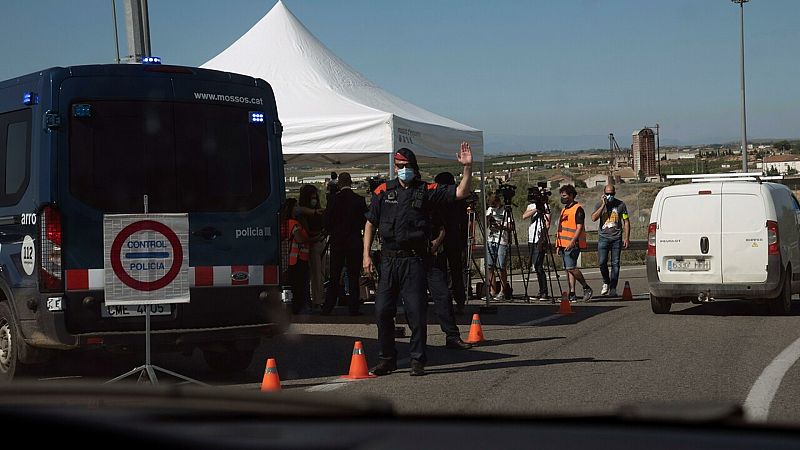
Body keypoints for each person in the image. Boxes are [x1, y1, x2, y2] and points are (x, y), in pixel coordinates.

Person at [363, 143, 474, 377]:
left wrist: (467, 168)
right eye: (399, 166)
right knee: (382, 311)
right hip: (388, 260)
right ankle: (386, 359)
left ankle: (417, 359)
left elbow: (460, 193)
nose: (402, 170)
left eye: (406, 166)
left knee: (415, 311)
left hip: (414, 261)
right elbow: (370, 222)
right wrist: (366, 255)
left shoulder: (426, 190)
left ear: (414, 167)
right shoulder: (383, 191)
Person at [322, 173, 367, 316]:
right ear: (351, 182)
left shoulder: (333, 200)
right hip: (354, 241)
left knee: (334, 276)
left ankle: (328, 307)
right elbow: (364, 222)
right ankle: (353, 308)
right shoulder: (359, 200)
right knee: (353, 276)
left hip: (337, 242)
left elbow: (326, 221)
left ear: (339, 184)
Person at [428, 211, 472, 350]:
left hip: (431, 256)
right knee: (413, 304)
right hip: (407, 259)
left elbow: (441, 228)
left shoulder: (427, 202)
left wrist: (436, 243)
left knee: (443, 296)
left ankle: (452, 336)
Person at [434, 172, 469, 314]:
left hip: (441, 240)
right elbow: (464, 221)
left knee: (441, 273)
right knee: (456, 272)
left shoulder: (438, 199)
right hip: (455, 239)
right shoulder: (458, 200)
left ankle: (444, 303)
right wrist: (463, 240)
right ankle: (460, 301)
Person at [590, 184, 630, 297]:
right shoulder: (599, 204)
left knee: (615, 264)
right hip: (603, 237)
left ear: (614, 193)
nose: (609, 196)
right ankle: (606, 282)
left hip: (616, 238)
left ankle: (613, 287)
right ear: (604, 193)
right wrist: (603, 205)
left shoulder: (621, 205)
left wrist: (626, 237)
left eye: (611, 194)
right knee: (602, 262)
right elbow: (593, 218)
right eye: (607, 194)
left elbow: (626, 221)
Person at [556, 185, 593, 303]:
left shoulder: (578, 209)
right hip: (563, 243)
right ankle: (572, 292)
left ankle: (586, 287)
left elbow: (579, 227)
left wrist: (572, 241)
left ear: (571, 195)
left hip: (572, 244)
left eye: (565, 196)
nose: (562, 198)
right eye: (561, 196)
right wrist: (558, 244)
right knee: (568, 270)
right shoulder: (564, 209)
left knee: (571, 267)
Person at [297, 184, 326, 310]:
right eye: (312, 198)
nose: (314, 200)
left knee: (321, 273)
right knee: (316, 274)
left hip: (320, 242)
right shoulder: (303, 213)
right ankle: (317, 299)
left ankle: (319, 297)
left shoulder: (315, 212)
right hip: (313, 244)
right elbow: (307, 231)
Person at [282, 199, 311, 314]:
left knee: (294, 284)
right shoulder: (294, 223)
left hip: (291, 258)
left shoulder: (285, 222)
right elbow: (299, 239)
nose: (298, 208)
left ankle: (296, 306)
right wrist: (312, 239)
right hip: (298, 258)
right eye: (296, 206)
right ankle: (299, 307)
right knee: (300, 285)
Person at [522, 199, 551, 302]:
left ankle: (544, 291)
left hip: (540, 238)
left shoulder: (546, 206)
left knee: (538, 265)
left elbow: (548, 223)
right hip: (531, 238)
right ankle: (541, 290)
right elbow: (524, 216)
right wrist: (535, 210)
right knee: (535, 266)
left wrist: (542, 237)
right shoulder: (531, 206)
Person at [485, 192, 511, 301]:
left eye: (494, 205)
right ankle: (492, 290)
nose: (493, 207)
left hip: (502, 240)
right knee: (490, 266)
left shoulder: (506, 210)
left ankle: (502, 291)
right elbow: (486, 225)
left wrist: (501, 226)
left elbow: (511, 226)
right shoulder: (490, 210)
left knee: (501, 266)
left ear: (498, 202)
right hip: (491, 239)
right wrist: (488, 218)